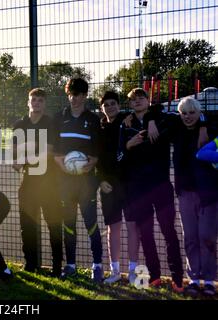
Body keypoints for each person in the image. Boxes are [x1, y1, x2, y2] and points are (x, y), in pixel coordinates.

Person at [118, 88, 184, 293]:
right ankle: (154, 276)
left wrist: (152, 117)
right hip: (139, 188)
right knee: (146, 234)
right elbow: (119, 156)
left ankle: (178, 280)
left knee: (168, 232)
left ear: (148, 100)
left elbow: (179, 118)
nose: (137, 101)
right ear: (129, 104)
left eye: (141, 98)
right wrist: (129, 145)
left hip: (161, 185)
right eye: (133, 99)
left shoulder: (163, 119)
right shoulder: (125, 125)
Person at [149, 97, 217, 296]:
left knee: (207, 237)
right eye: (184, 113)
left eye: (192, 112)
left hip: (208, 193)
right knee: (190, 238)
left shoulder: (211, 127)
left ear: (199, 112)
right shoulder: (175, 128)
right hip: (185, 192)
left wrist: (203, 123)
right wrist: (152, 121)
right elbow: (155, 109)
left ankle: (210, 280)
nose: (188, 117)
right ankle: (194, 278)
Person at [53, 78, 103, 283]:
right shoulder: (59, 118)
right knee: (68, 224)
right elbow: (55, 150)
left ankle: (97, 266)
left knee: (91, 222)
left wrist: (92, 162)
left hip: (86, 181)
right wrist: (61, 164)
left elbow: (98, 149)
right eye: (71, 94)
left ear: (84, 96)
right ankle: (71, 265)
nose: (74, 98)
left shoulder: (92, 119)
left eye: (78, 95)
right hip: (65, 181)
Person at [12, 88, 63, 277]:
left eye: (40, 100)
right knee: (27, 225)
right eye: (33, 99)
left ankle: (57, 267)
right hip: (28, 183)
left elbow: (49, 152)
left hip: (49, 183)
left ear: (44, 104)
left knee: (54, 224)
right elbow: (15, 155)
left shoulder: (50, 123)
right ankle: (31, 264)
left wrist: (25, 157)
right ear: (28, 102)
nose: (36, 103)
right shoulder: (19, 124)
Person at [97, 91, 140, 285]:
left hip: (129, 183)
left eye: (113, 103)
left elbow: (154, 109)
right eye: (106, 104)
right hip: (108, 186)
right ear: (102, 108)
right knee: (113, 228)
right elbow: (97, 158)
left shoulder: (128, 120)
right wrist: (100, 180)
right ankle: (115, 271)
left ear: (119, 105)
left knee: (132, 227)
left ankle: (133, 271)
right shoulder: (99, 128)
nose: (110, 107)